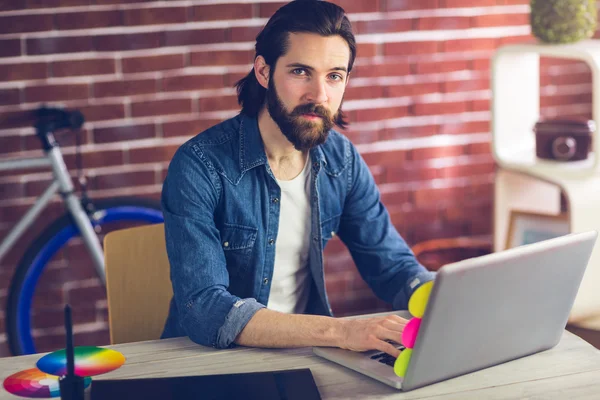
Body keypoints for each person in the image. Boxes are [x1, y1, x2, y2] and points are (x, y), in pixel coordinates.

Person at [160, 0, 435, 358]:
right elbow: (206, 310)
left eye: (334, 75)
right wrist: (340, 331)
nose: (319, 95)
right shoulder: (200, 166)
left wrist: (441, 303)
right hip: (210, 365)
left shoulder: (341, 160)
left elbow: (394, 267)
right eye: (301, 72)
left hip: (305, 355)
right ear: (263, 71)